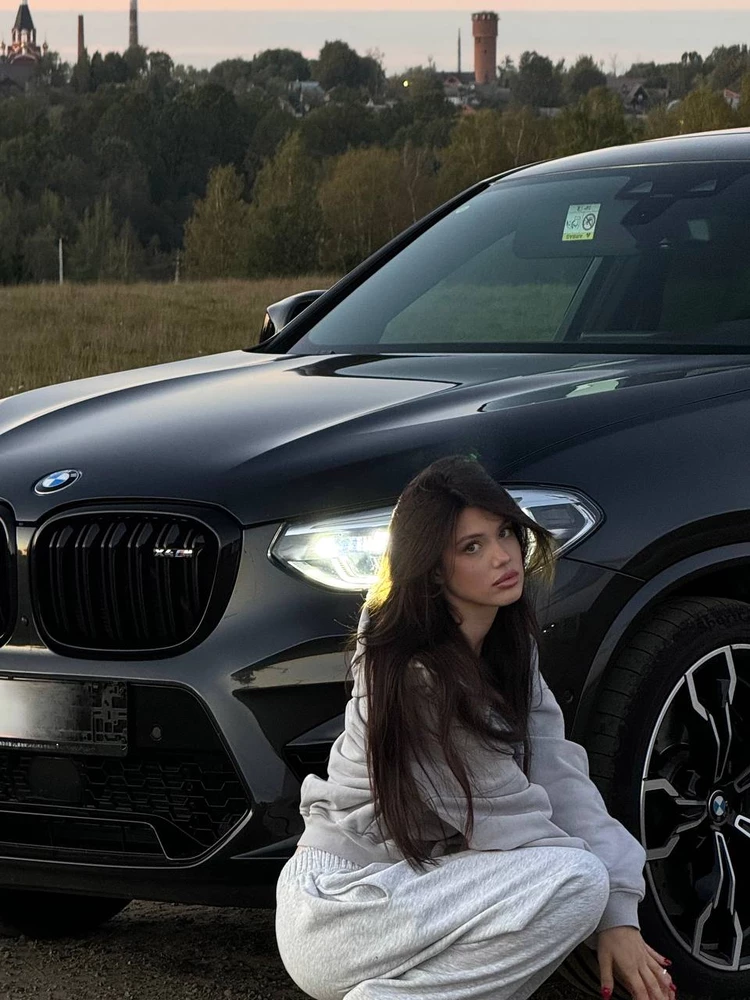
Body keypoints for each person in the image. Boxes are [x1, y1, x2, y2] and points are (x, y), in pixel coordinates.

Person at [275, 455, 677, 1000]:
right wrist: (606, 908)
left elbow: (559, 775)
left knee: (575, 885)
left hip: (416, 893)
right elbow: (508, 823)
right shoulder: (416, 673)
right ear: (433, 569)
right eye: (472, 547)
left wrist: (618, 911)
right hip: (339, 908)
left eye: (505, 532)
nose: (502, 556)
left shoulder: (507, 647)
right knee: (577, 880)